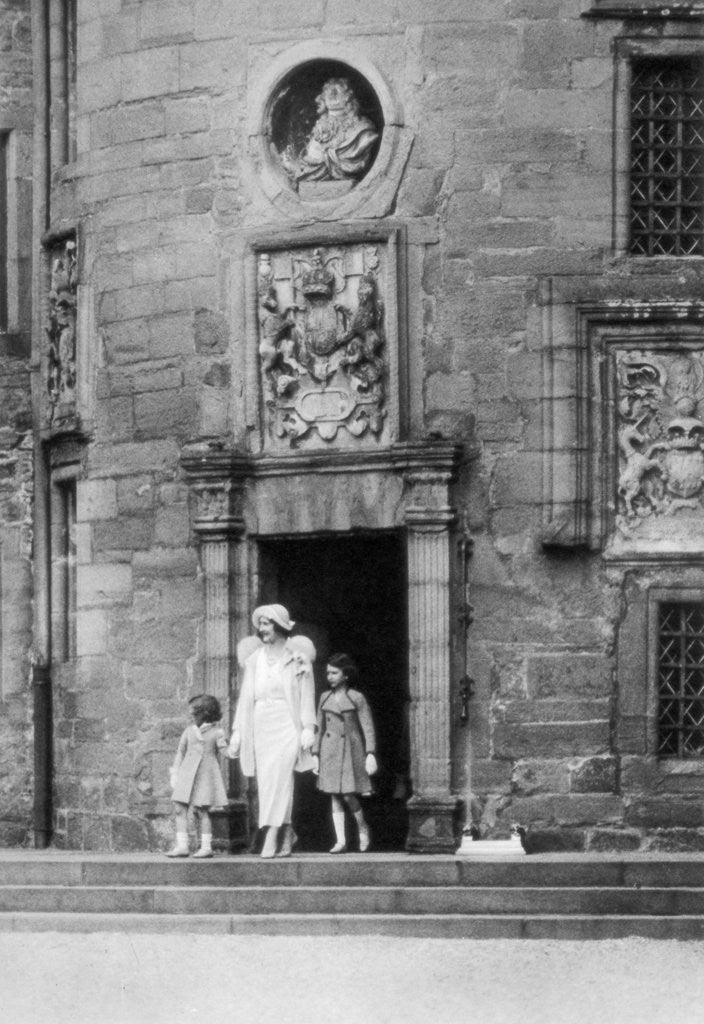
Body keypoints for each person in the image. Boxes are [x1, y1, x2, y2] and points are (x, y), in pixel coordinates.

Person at [228, 604, 316, 859]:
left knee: (281, 777)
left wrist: (308, 727)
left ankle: (272, 834)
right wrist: (238, 731)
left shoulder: (297, 657)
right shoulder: (255, 659)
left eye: (266, 624)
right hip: (261, 723)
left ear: (278, 626)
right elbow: (246, 697)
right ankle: (288, 831)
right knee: (268, 781)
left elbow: (306, 693)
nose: (262, 629)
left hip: (287, 722)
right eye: (261, 625)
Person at [312, 653, 377, 854]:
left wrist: (370, 753)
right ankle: (340, 841)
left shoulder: (357, 697)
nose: (329, 677)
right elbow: (319, 728)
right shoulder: (324, 697)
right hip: (330, 750)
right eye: (328, 673)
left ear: (345, 675)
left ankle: (362, 828)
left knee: (348, 795)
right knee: (334, 795)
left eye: (334, 673)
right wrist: (315, 753)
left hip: (351, 750)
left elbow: (367, 727)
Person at [167, 693, 228, 859]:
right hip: (186, 774)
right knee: (179, 808)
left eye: (194, 713)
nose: (192, 716)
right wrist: (175, 772)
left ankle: (206, 847)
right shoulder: (188, 731)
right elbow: (181, 752)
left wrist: (234, 747)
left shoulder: (217, 732)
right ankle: (182, 846)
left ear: (205, 713)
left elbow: (225, 751)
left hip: (204, 776)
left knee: (202, 810)